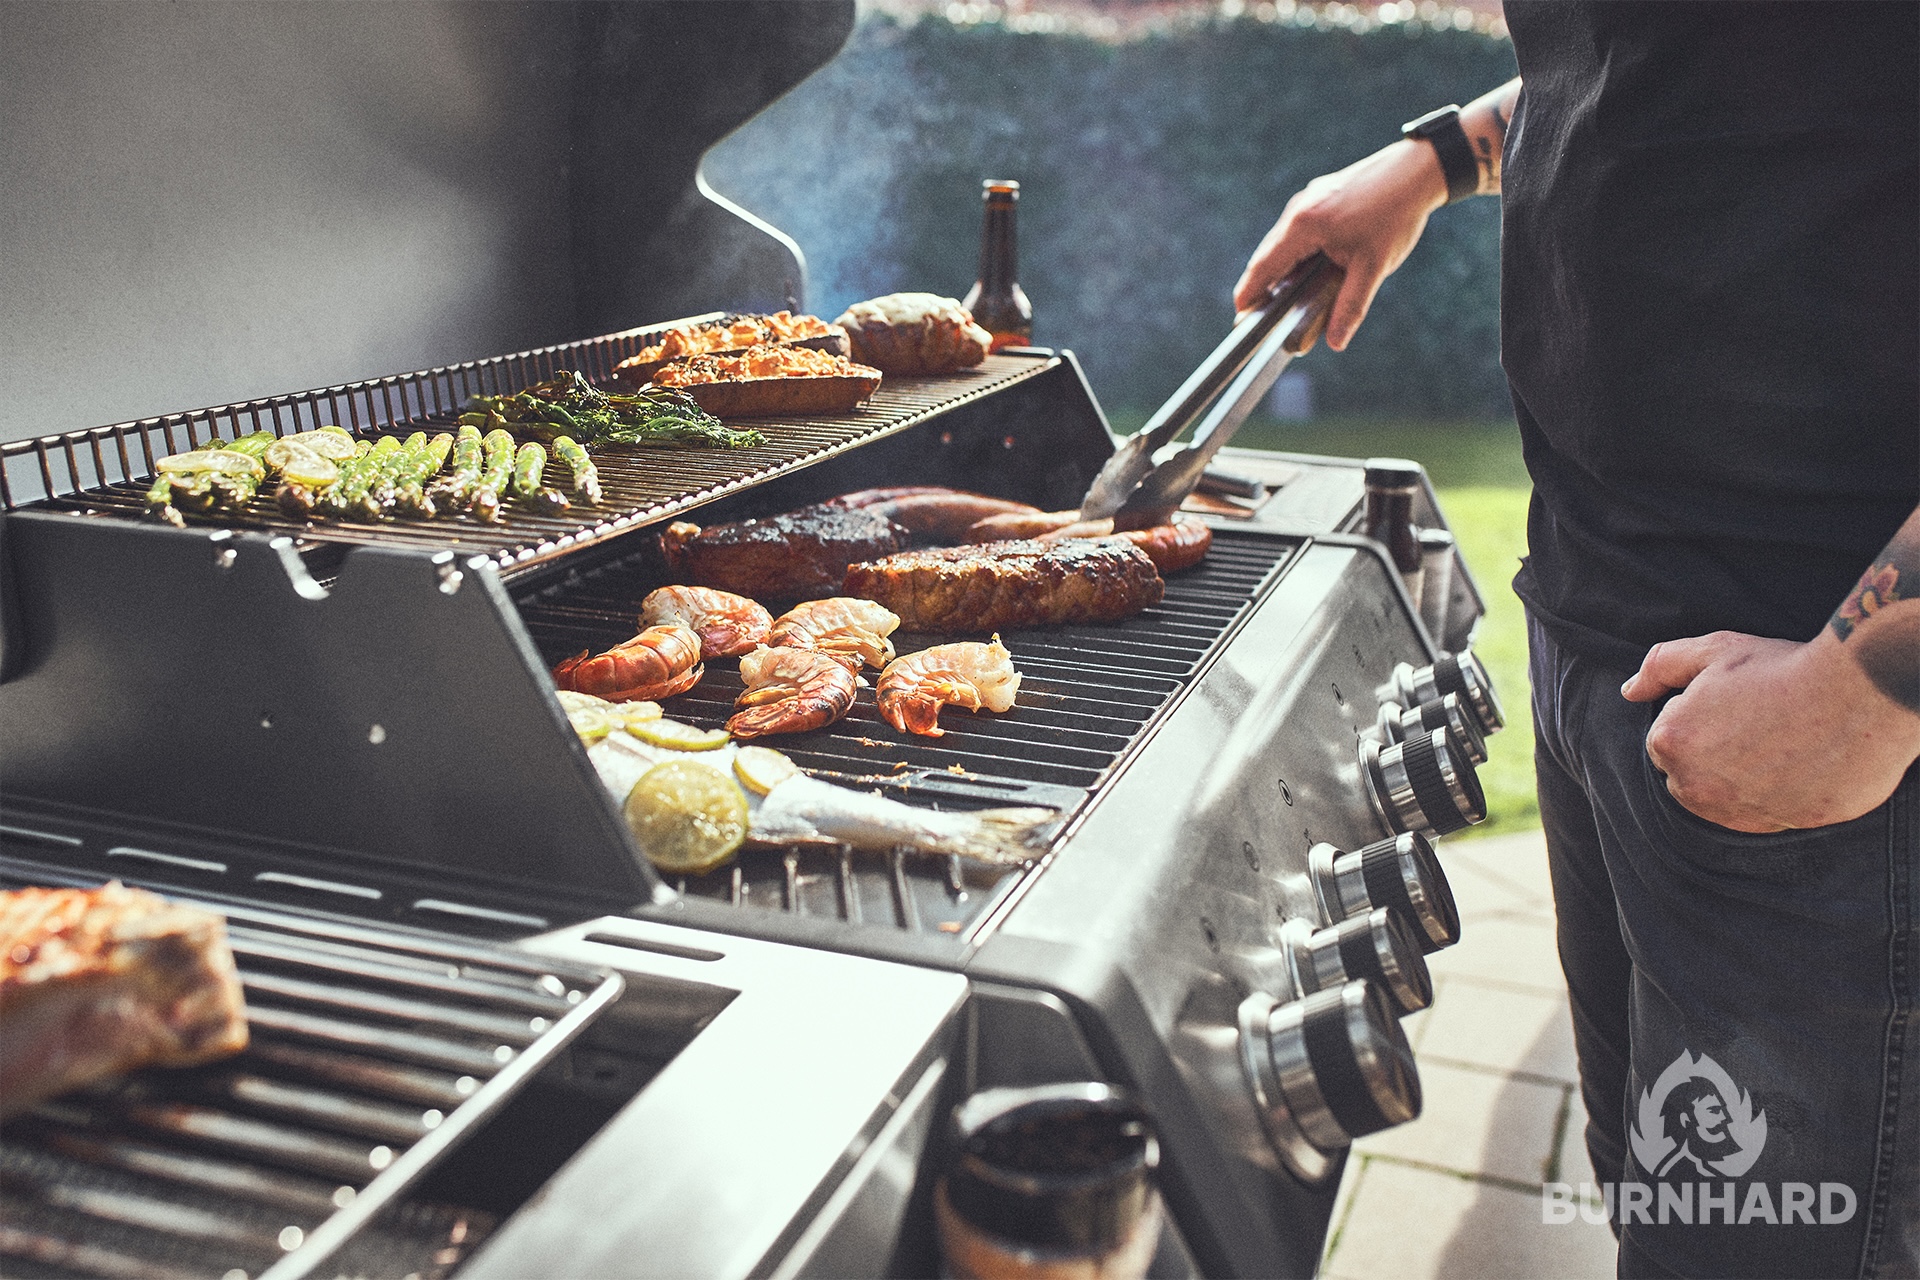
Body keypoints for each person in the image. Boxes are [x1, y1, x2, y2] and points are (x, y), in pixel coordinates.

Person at [1232, 5, 1918, 1277]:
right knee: (1662, 1205)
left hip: (1823, 722)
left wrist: (1865, 689)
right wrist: (1436, 158)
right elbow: (1660, 67)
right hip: (1603, 616)